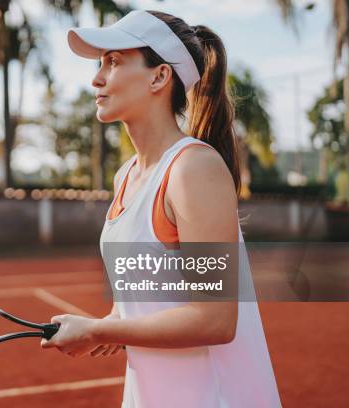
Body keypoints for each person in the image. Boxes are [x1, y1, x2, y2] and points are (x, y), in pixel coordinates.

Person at [40, 10, 282, 408]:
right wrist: (105, 325)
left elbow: (215, 320)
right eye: (100, 63)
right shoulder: (126, 177)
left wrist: (99, 333)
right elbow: (143, 301)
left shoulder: (193, 168)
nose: (97, 78)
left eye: (114, 61)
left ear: (159, 76)